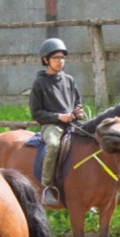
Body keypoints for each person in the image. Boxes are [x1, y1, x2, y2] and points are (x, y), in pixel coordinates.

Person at [29, 37, 84, 206]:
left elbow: (77, 101)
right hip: (51, 125)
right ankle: (47, 186)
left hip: (72, 122)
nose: (60, 61)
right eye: (56, 58)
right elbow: (36, 113)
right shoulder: (39, 83)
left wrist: (78, 111)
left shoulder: (69, 80)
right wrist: (58, 117)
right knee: (53, 145)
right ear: (46, 60)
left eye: (63, 58)